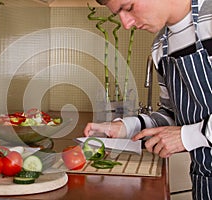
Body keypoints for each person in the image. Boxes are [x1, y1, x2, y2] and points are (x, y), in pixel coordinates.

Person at [84, 0, 212, 199]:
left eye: (128, 7)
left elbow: (183, 133)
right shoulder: (160, 47)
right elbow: (173, 115)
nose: (126, 24)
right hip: (205, 180)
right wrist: (125, 127)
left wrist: (188, 136)